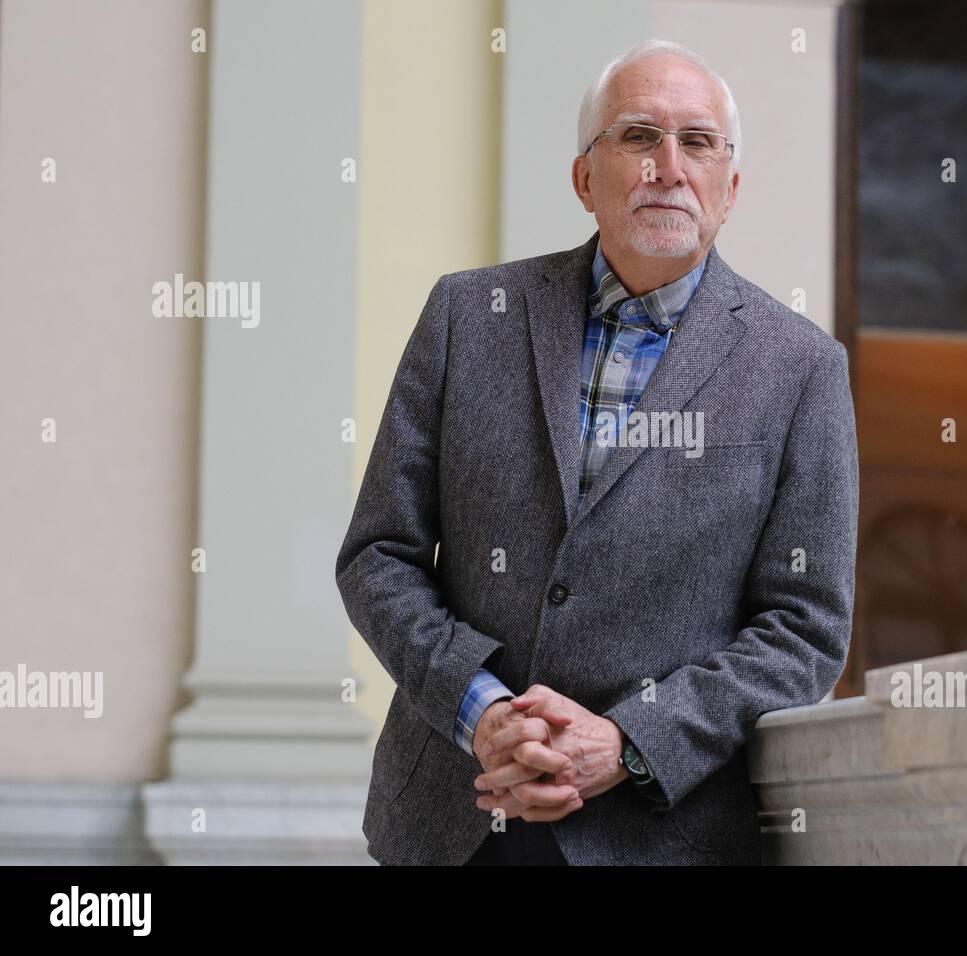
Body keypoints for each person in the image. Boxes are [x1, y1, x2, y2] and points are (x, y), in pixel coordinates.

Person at [335, 38, 858, 866]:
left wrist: (627, 742)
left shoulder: (802, 370)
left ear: (731, 186)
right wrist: (483, 711)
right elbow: (378, 555)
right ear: (586, 177)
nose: (667, 166)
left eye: (697, 142)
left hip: (661, 834)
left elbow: (805, 631)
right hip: (456, 816)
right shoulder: (469, 317)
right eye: (638, 137)